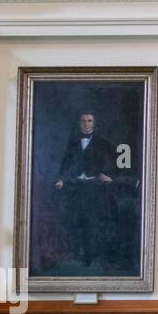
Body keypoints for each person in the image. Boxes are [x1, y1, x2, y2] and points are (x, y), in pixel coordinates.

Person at [53, 111, 117, 267]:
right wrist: (61, 179)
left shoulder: (102, 143)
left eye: (89, 121)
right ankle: (75, 252)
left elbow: (113, 165)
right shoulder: (73, 142)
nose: (86, 123)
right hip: (76, 186)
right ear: (79, 123)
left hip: (94, 187)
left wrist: (109, 177)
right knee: (74, 220)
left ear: (94, 123)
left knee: (91, 222)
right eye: (83, 121)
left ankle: (88, 257)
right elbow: (66, 163)